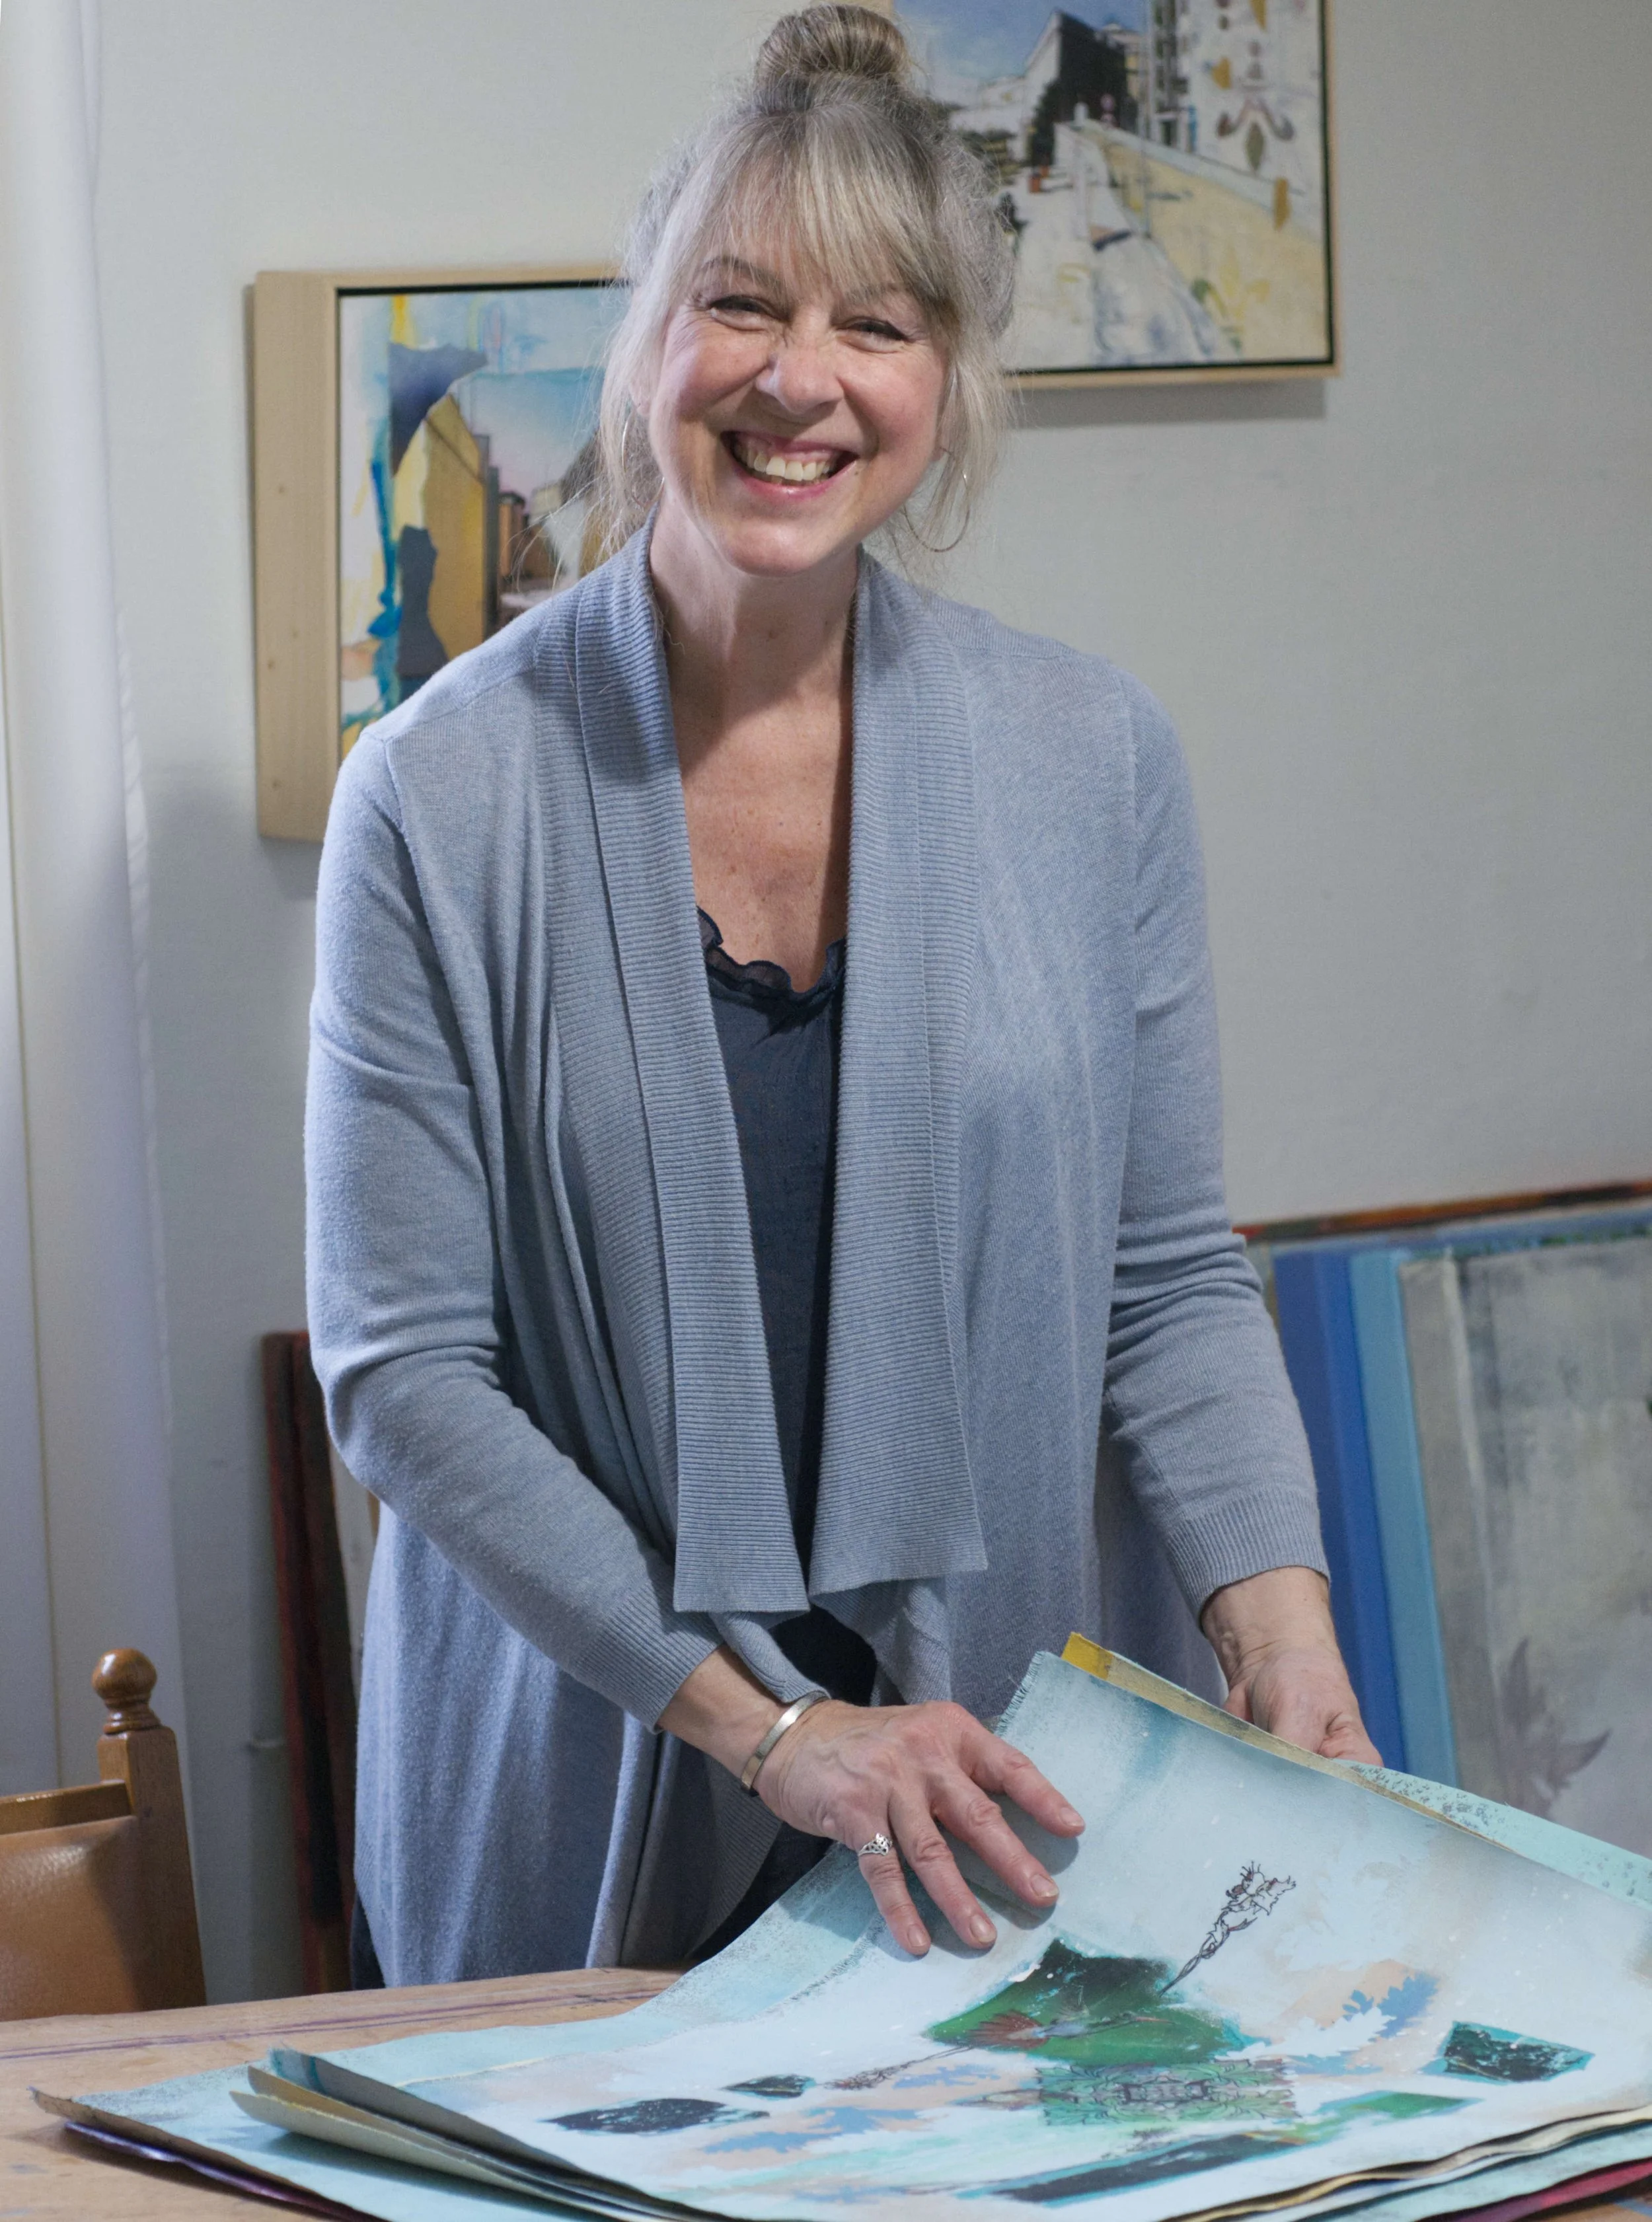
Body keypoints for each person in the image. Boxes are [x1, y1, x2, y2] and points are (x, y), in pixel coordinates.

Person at [305, 4, 1378, 1991]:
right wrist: (776, 1730)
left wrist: (1284, 1629)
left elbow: (1162, 1278)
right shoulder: (440, 796)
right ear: (646, 342)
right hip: (599, 1775)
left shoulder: (1094, 760)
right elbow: (406, 1378)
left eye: (876, 325)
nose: (800, 380)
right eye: (740, 305)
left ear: (946, 390)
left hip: (1002, 1784)